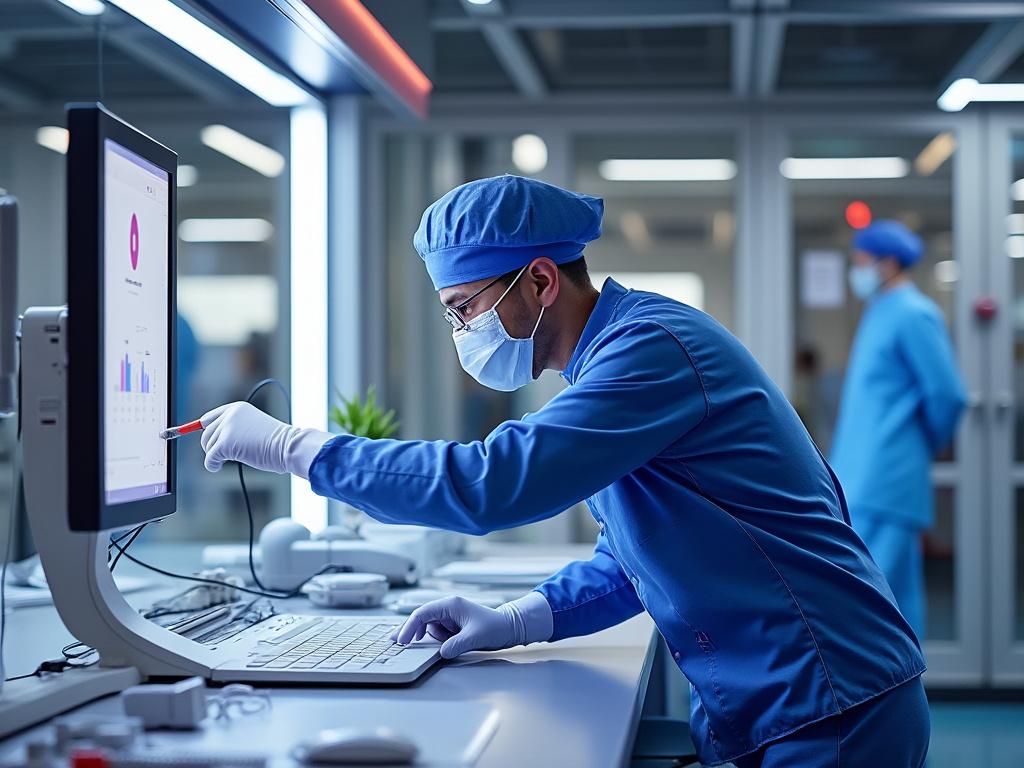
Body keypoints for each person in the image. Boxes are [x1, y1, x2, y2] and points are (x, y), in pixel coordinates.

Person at [199, 176, 929, 767]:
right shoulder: (608, 361)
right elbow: (634, 560)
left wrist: (294, 449)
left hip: (829, 703)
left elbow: (493, 484)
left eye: (464, 309)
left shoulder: (650, 348)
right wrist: (517, 620)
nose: (461, 332)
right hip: (780, 699)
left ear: (540, 281)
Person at [832, 219, 966, 644]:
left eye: (861, 261)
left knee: (875, 602)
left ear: (888, 264)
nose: (856, 271)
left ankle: (887, 703)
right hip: (864, 475)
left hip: (887, 476)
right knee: (881, 599)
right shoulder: (881, 312)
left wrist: (915, 445)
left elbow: (947, 394)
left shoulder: (913, 313)